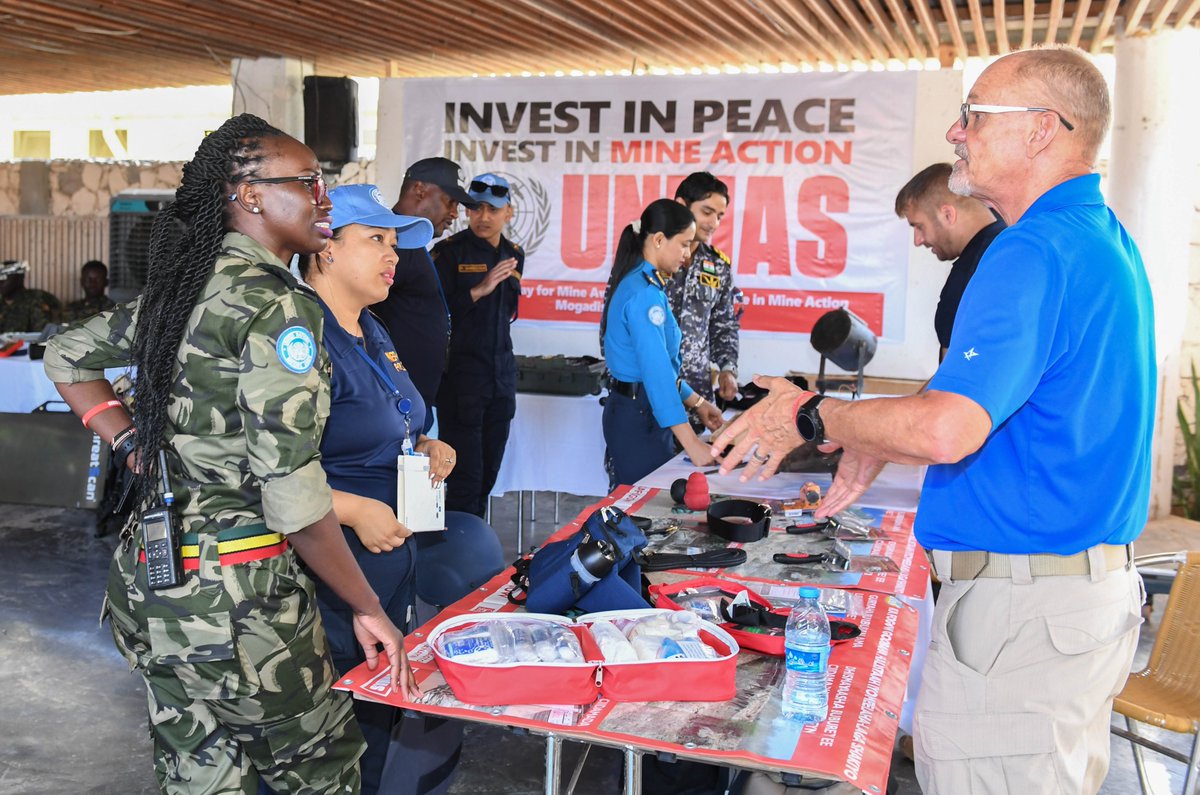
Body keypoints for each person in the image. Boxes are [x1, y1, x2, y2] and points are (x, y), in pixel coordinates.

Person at [714, 47, 1151, 795]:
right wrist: (868, 436)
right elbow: (979, 394)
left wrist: (812, 414)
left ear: (1042, 129)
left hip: (1024, 613)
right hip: (1065, 602)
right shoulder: (1096, 237)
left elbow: (950, 429)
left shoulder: (1032, 250)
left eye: (976, 114)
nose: (957, 131)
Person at [42, 113, 413, 794]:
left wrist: (128, 439)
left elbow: (66, 355)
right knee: (322, 769)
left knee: (201, 772)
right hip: (244, 603)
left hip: (154, 586)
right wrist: (366, 606)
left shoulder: (184, 292)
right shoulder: (279, 308)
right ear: (247, 195)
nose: (321, 196)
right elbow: (293, 493)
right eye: (307, 181)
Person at [301, 183, 504, 795]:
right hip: (329, 579)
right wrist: (354, 508)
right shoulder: (301, 339)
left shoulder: (371, 330)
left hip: (388, 571)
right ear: (326, 250)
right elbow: (262, 470)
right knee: (332, 741)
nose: (393, 256)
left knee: (379, 735)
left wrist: (424, 445)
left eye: (396, 243)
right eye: (376, 240)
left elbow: (393, 421)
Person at [602, 198, 723, 487]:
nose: (687, 254)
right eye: (683, 243)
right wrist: (692, 443)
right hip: (638, 418)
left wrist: (697, 401)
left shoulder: (644, 284)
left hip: (641, 411)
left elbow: (660, 368)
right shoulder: (644, 294)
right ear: (658, 239)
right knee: (643, 512)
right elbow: (656, 374)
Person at [433, 172, 523, 518]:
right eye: (476, 209)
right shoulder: (448, 253)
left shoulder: (516, 255)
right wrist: (477, 290)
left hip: (500, 378)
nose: (483, 217)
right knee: (464, 479)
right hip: (462, 381)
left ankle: (474, 544)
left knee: (489, 473)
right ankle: (459, 554)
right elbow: (432, 314)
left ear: (508, 213)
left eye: (493, 209)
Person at [371, 157, 478, 419]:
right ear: (420, 189)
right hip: (394, 405)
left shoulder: (409, 243)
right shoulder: (390, 243)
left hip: (412, 402)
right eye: (450, 201)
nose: (455, 213)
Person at [895, 163, 1004, 362]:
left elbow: (954, 379)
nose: (917, 240)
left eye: (919, 226)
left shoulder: (973, 273)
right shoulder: (1007, 242)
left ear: (948, 214)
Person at [668, 172, 741, 407]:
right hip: (648, 393)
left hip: (698, 400)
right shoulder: (647, 257)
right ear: (681, 205)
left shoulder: (718, 265)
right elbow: (614, 323)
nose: (714, 223)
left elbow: (724, 325)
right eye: (707, 212)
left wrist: (727, 369)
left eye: (719, 216)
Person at [0, 260, 60, 333]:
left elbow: (43, 335)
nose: (0, 282)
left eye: (4, 278)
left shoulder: (37, 298)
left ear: (19, 278)